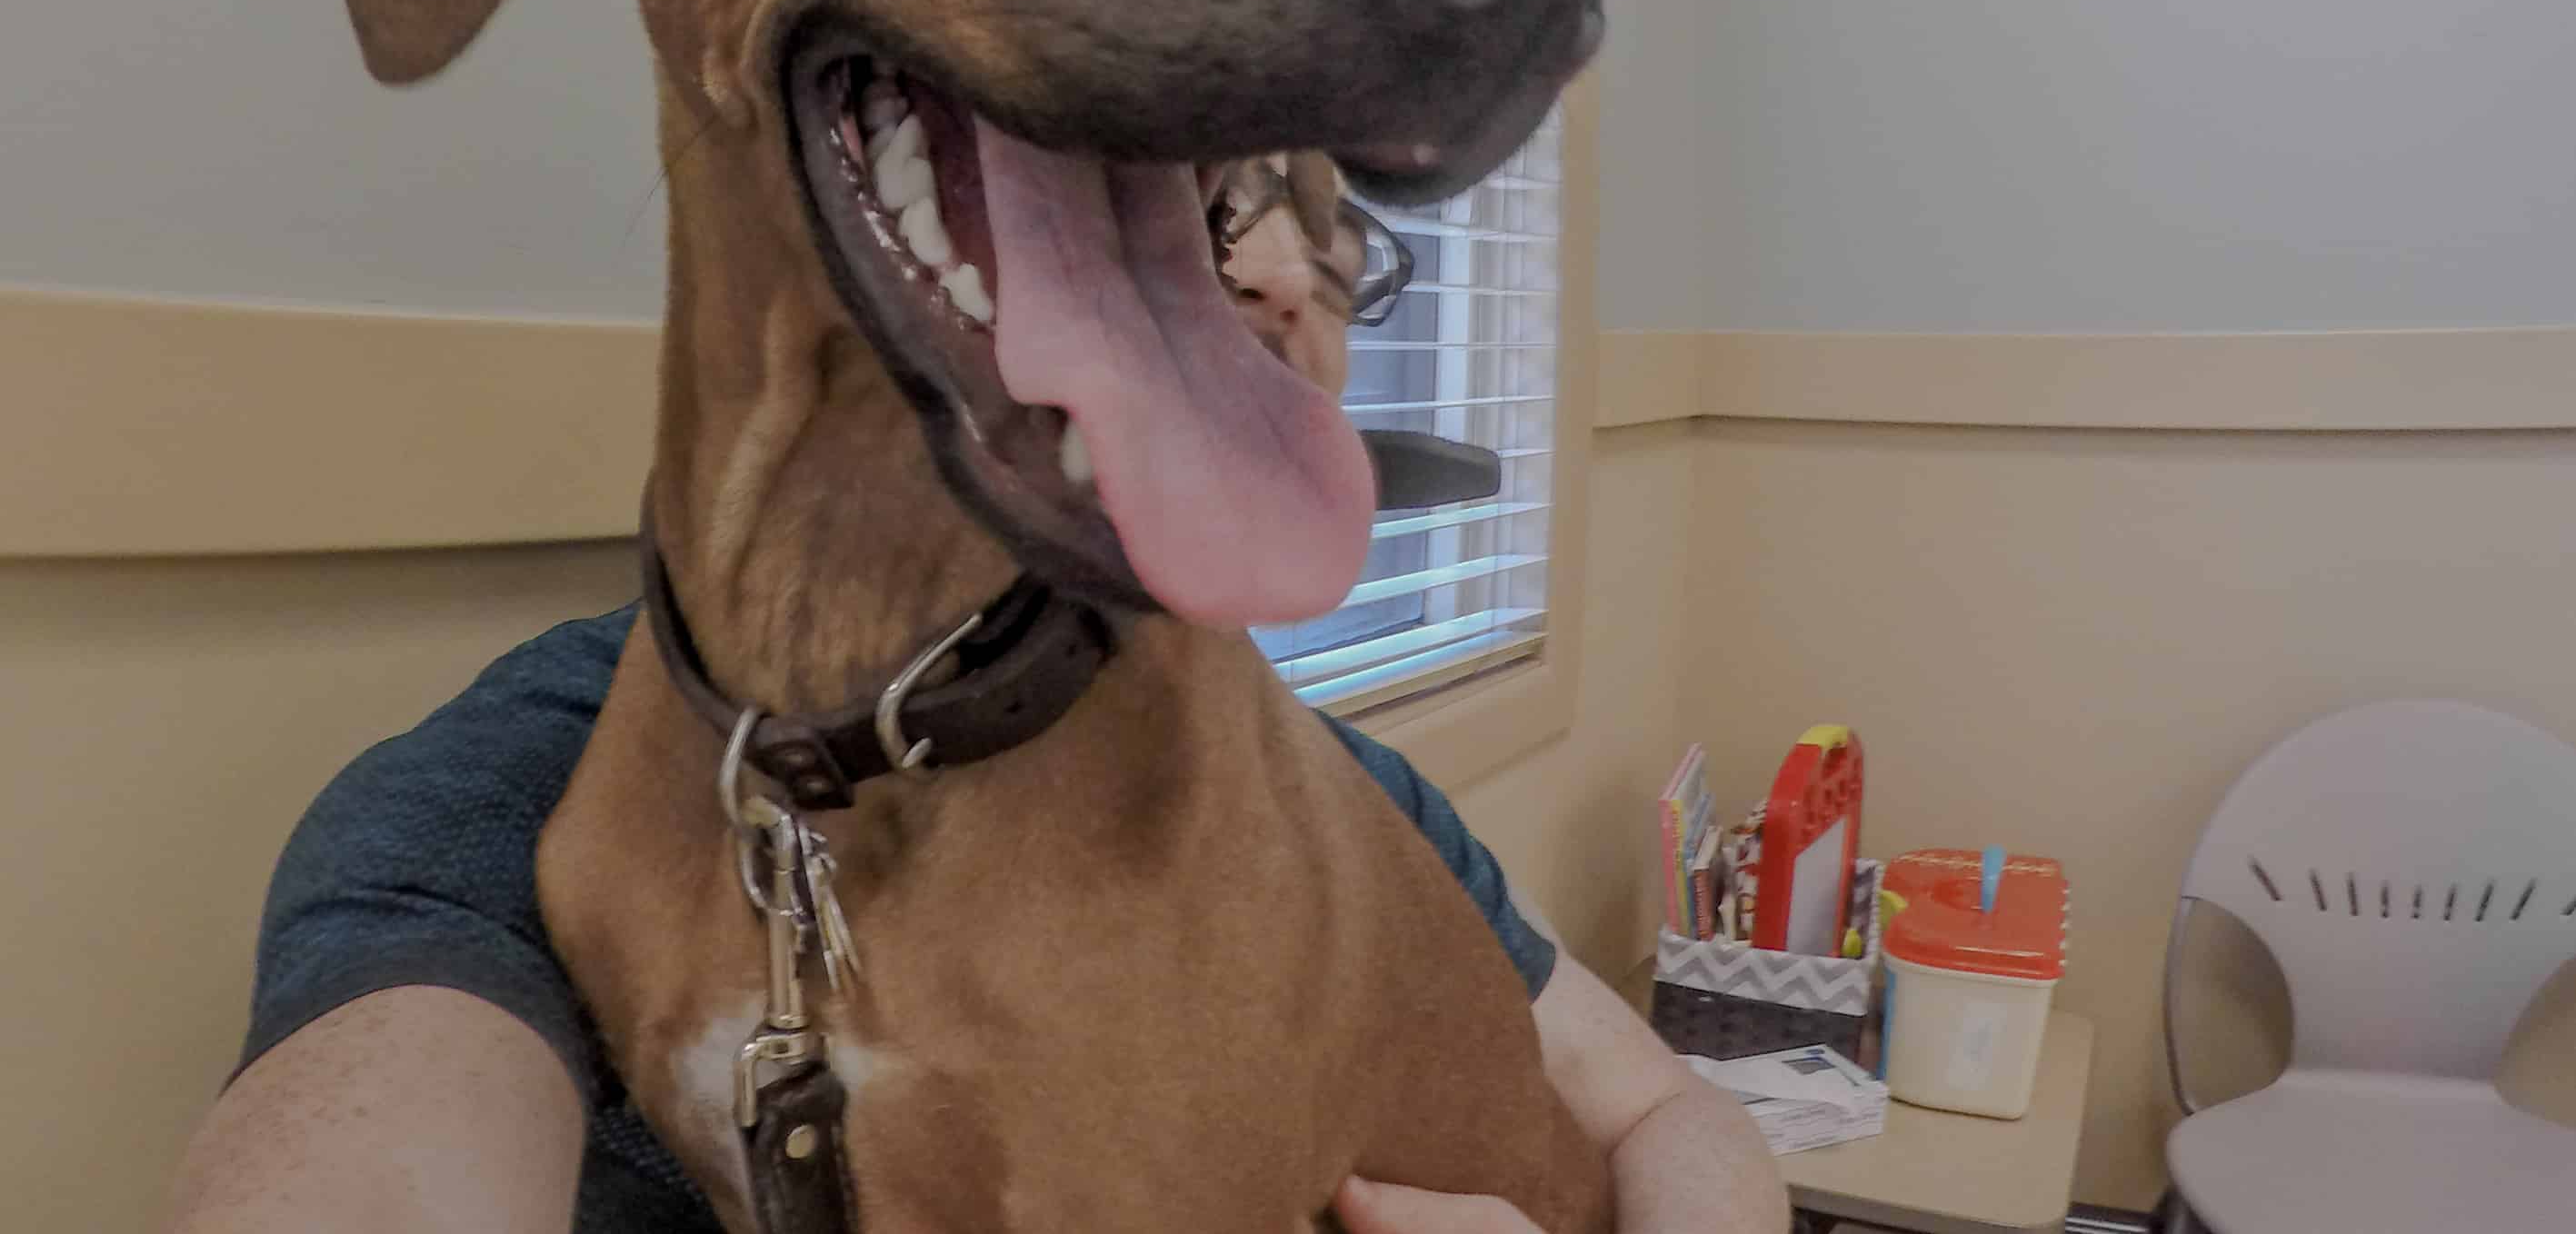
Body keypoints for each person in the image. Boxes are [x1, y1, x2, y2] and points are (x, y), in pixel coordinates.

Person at [165, 170, 1788, 1234]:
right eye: (1214, 226)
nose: (1295, 281)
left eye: (1335, 258)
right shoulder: (538, 782)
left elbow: (1664, 1103)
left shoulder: (1332, 783)